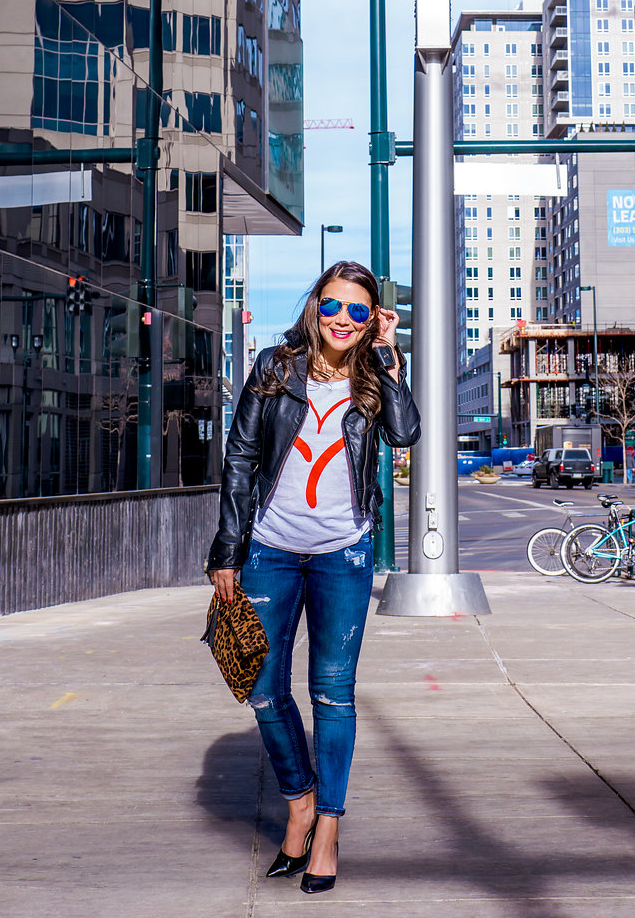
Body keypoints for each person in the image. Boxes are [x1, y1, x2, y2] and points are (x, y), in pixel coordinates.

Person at [207, 260, 420, 894]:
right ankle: (298, 799)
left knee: (332, 694)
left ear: (373, 317)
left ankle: (326, 827)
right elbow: (241, 456)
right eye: (332, 307)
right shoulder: (276, 366)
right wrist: (227, 550)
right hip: (269, 548)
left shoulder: (376, 376)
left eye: (359, 311)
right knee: (264, 690)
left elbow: (405, 433)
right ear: (314, 307)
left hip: (344, 554)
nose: (343, 321)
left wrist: (389, 355)